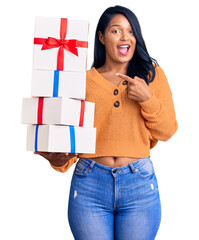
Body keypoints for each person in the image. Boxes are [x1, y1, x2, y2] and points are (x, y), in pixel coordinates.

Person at [34, 5, 178, 240]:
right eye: (116, 31)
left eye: (131, 31)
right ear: (101, 37)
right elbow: (71, 135)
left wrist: (147, 99)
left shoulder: (152, 75)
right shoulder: (81, 81)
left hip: (139, 184)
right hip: (89, 183)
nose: (125, 37)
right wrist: (59, 158)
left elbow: (167, 131)